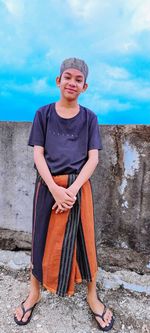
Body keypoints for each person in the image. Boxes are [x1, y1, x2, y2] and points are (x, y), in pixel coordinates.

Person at [13, 57, 115, 331]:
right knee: (40, 238)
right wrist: (55, 190)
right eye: (67, 77)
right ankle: (34, 292)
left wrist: (70, 190)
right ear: (58, 81)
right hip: (48, 188)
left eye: (78, 79)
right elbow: (38, 154)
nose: (72, 82)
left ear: (85, 86)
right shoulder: (43, 114)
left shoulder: (89, 118)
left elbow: (92, 159)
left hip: (78, 189)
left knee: (86, 242)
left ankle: (92, 296)